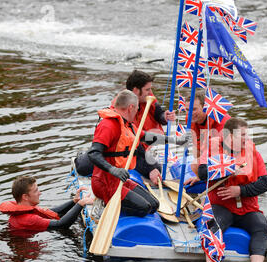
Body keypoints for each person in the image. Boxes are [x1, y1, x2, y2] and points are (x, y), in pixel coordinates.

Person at [87, 89, 189, 217]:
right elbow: (93, 153)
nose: (137, 112)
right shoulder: (108, 125)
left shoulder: (127, 125)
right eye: (137, 109)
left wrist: (176, 140)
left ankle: (116, 203)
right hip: (104, 183)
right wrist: (113, 170)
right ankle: (104, 205)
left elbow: (147, 136)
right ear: (131, 107)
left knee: (154, 205)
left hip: (119, 180)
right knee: (144, 208)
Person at [196, 117, 267, 262]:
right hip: (222, 206)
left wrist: (240, 191)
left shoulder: (252, 151)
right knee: (212, 225)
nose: (246, 139)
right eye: (242, 135)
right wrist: (226, 169)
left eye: (246, 135)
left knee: (261, 225)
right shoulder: (211, 148)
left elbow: (264, 184)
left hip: (246, 208)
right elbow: (203, 173)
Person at [0, 175, 94, 233]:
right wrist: (81, 204)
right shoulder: (29, 219)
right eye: (36, 191)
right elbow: (61, 225)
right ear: (25, 197)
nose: (40, 193)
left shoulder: (24, 209)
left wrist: (74, 201)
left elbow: (50, 212)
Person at [184, 91, 231, 186]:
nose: (189, 114)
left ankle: (224, 182)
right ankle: (204, 179)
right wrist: (198, 175)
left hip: (227, 153)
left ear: (205, 108)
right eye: (187, 110)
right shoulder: (190, 120)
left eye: (193, 109)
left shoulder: (222, 120)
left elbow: (226, 151)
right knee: (194, 164)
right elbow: (197, 146)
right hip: (211, 150)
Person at [125, 69, 176, 136]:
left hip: (153, 142)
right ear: (136, 90)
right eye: (147, 89)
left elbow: (159, 114)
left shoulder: (149, 98)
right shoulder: (121, 108)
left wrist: (165, 117)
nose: (151, 92)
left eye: (150, 89)